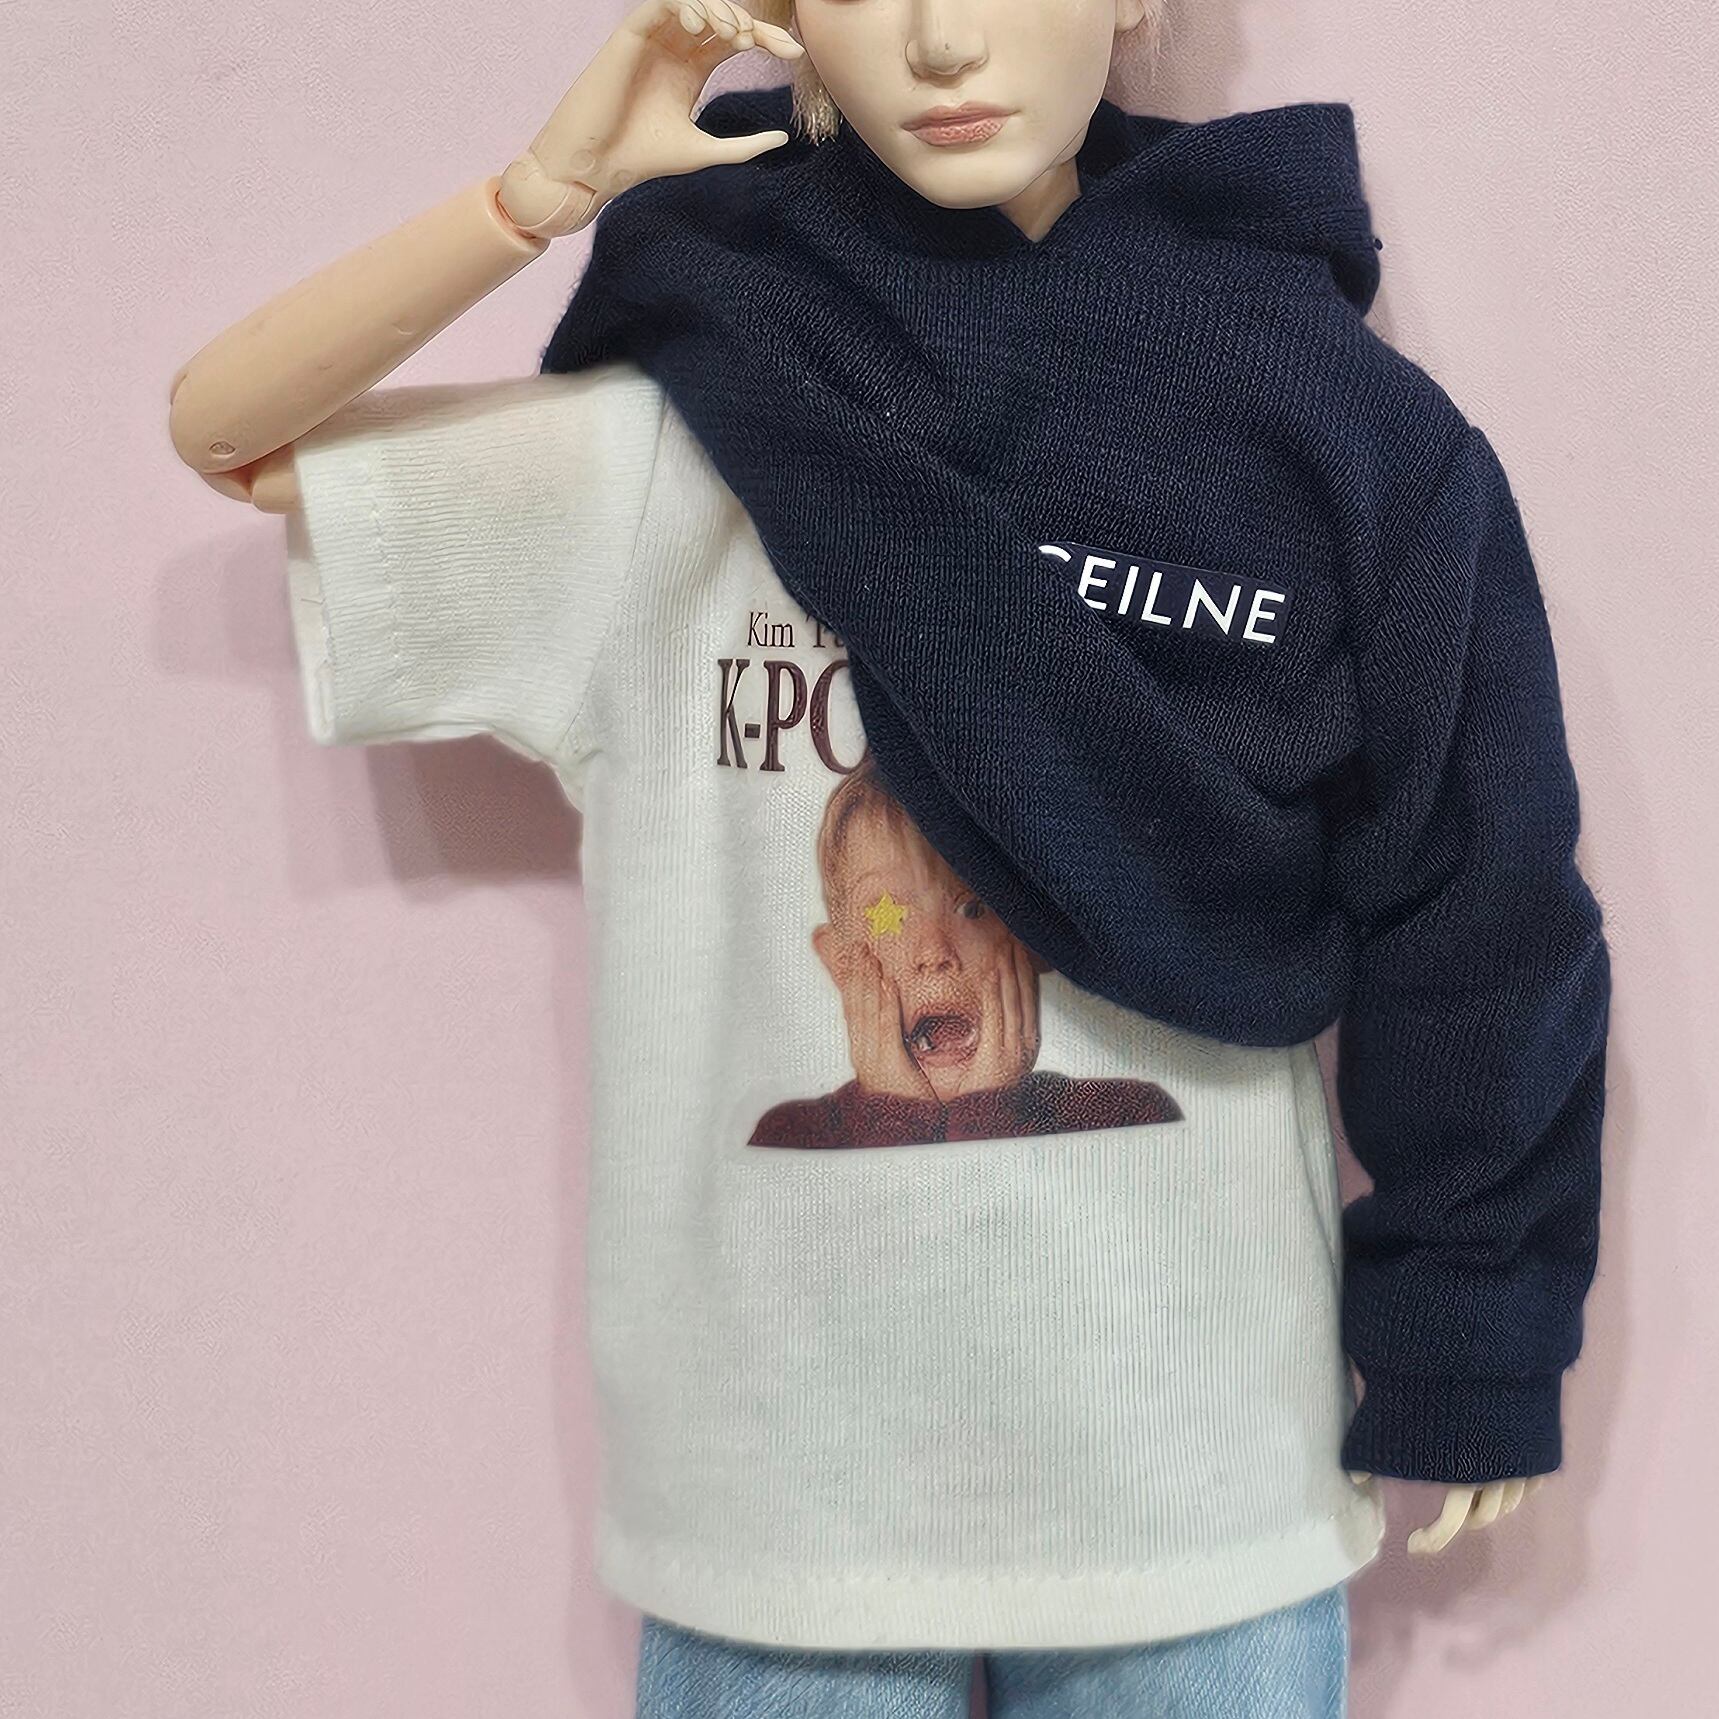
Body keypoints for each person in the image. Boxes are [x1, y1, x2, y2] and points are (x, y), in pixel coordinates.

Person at [166, 1, 1599, 1711]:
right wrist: (536, 194)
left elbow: (1474, 892)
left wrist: (1471, 1331)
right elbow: (233, 442)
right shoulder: (691, 427)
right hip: (776, 1507)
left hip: (1197, 1471)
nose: (933, 39)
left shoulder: (1330, 431)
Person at [750, 755, 1182, 1147]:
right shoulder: (789, 1135)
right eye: (891, 917)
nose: (935, 951)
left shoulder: (1123, 1115)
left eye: (973, 908)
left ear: (1037, 940)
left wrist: (990, 1108)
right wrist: (894, 1113)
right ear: (841, 961)